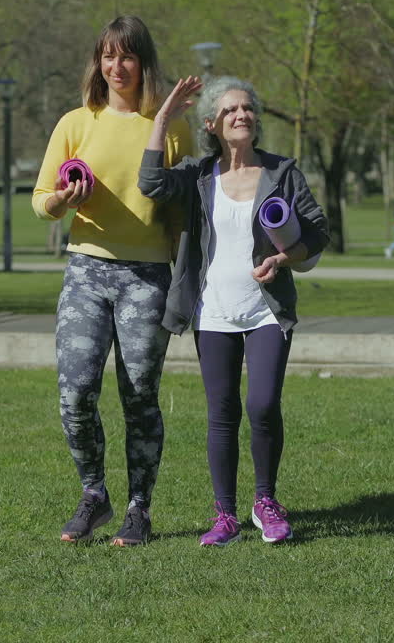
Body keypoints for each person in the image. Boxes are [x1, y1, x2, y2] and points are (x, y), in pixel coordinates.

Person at [138, 75, 329, 546]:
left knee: (262, 405)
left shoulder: (282, 172)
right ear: (212, 124)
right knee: (221, 413)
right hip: (212, 311)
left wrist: (287, 256)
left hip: (266, 309)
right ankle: (224, 515)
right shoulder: (198, 176)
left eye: (247, 108)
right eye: (230, 111)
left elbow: (318, 230)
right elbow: (149, 182)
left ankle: (266, 502)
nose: (241, 115)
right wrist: (162, 118)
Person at [31, 15, 194, 547]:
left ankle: (138, 509)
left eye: (126, 56)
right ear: (96, 63)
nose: (115, 66)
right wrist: (63, 199)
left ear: (143, 62)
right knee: (75, 393)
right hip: (86, 269)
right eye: (107, 56)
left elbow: (183, 212)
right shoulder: (76, 123)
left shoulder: (170, 128)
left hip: (147, 276)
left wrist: (185, 280)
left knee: (139, 393)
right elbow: (41, 202)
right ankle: (94, 494)